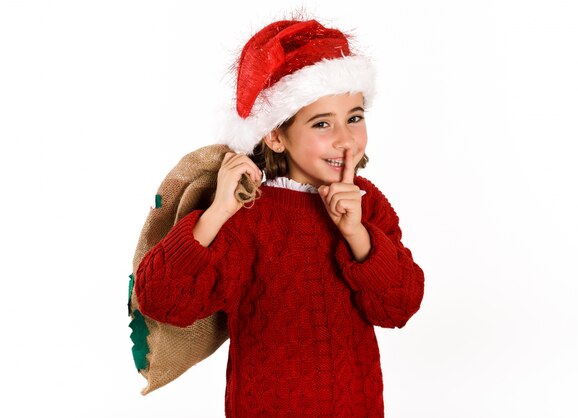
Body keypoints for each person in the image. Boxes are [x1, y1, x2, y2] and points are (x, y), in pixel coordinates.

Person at [134, 18, 425, 417]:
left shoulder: (367, 204)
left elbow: (400, 307)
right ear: (274, 135)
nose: (345, 138)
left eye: (354, 117)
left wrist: (357, 235)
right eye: (322, 123)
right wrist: (218, 210)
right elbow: (164, 302)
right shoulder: (247, 212)